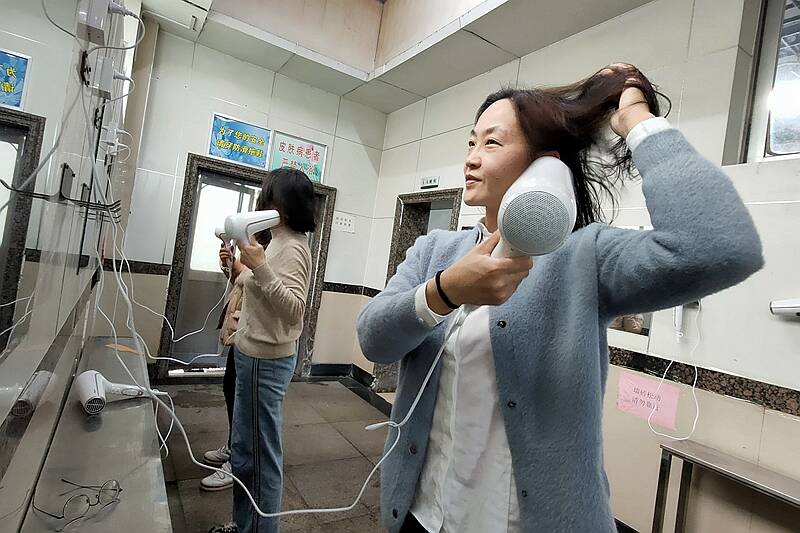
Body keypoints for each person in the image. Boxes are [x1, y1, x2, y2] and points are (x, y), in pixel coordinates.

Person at [356, 63, 763, 533]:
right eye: (470, 142)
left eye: (492, 143)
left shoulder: (583, 258)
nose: (471, 158)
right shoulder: (434, 252)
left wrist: (637, 120)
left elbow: (720, 246)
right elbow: (373, 339)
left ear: (543, 163)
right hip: (422, 518)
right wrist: (443, 291)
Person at [209, 167, 316, 533]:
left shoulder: (294, 246)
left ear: (282, 205)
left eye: (268, 199)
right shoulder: (275, 241)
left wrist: (261, 267)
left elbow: (294, 310)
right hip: (250, 355)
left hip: (265, 363)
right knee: (244, 453)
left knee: (259, 459)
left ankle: (257, 528)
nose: (262, 206)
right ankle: (245, 524)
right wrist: (235, 266)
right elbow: (255, 284)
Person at [201, 231, 269, 492]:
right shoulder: (256, 250)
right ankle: (234, 447)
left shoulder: (273, 252)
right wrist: (229, 264)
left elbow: (262, 286)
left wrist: (241, 264)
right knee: (232, 391)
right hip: (241, 337)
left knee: (245, 403)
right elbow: (244, 281)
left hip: (254, 339)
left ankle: (240, 462)